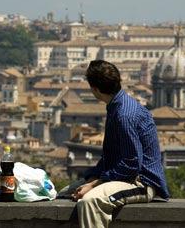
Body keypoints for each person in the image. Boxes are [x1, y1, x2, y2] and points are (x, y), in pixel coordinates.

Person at [60, 60, 169, 228]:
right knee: (63, 195)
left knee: (91, 201)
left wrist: (94, 184)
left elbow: (131, 164)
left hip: (141, 182)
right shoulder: (117, 106)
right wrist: (91, 178)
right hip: (122, 177)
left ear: (95, 89)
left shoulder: (123, 115)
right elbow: (111, 158)